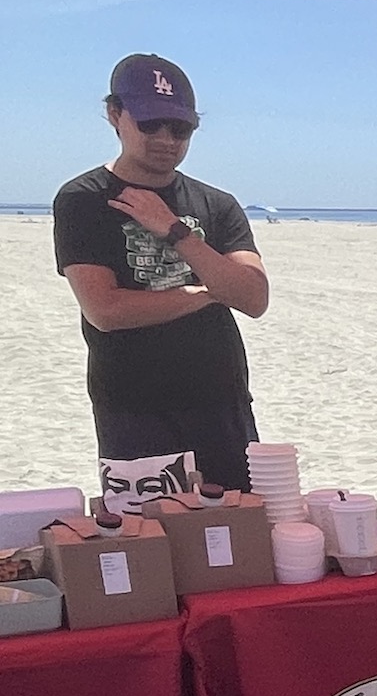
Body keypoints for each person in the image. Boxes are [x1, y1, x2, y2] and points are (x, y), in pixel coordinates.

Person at [54, 55, 269, 492]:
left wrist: (176, 232)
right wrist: (208, 292)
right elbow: (107, 309)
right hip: (134, 407)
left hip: (221, 400)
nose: (166, 139)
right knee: (149, 546)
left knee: (235, 540)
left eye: (180, 128)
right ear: (115, 115)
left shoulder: (216, 203)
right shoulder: (84, 200)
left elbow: (254, 298)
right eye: (150, 124)